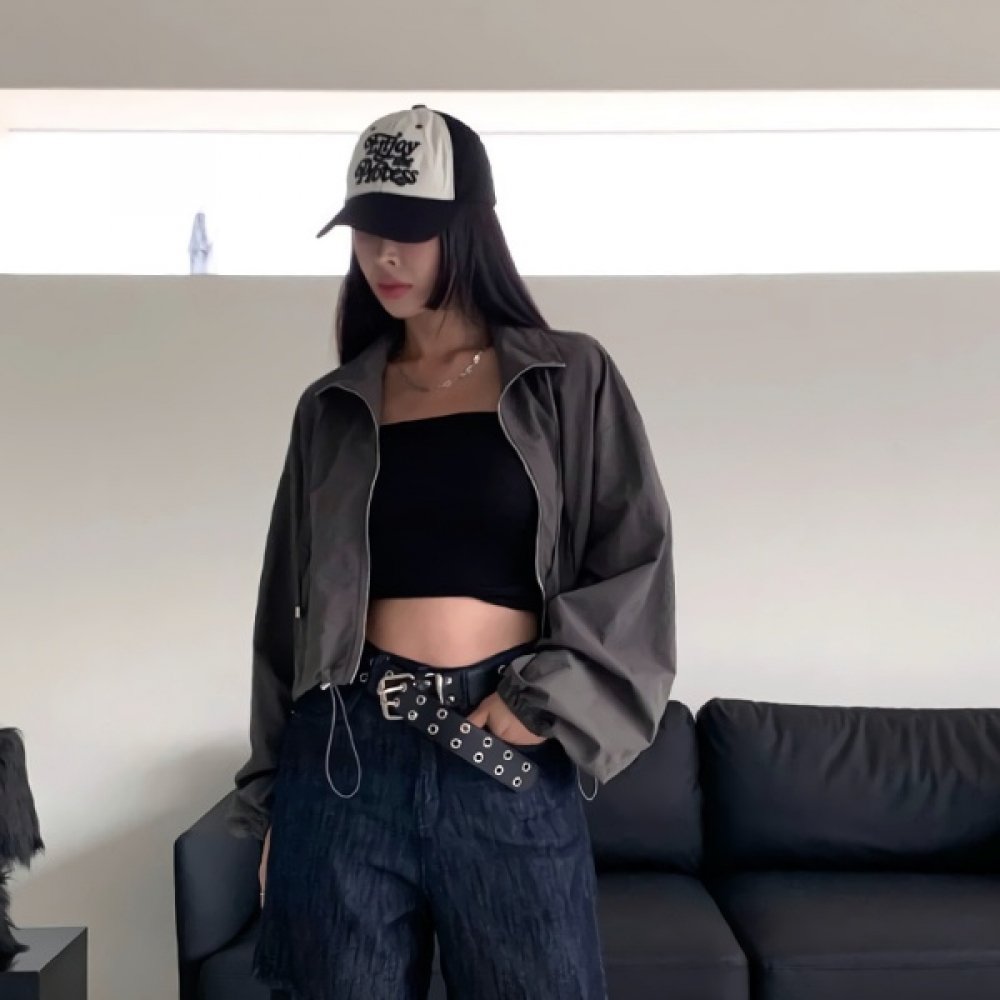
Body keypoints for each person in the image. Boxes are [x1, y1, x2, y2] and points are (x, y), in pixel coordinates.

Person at [227, 105, 676, 1000]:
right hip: (345, 757)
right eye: (366, 230)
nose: (382, 255)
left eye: (409, 230)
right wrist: (275, 802)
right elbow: (285, 614)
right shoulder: (332, 407)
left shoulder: (567, 378)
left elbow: (635, 564)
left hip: (501, 749)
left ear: (468, 228)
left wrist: (542, 701)